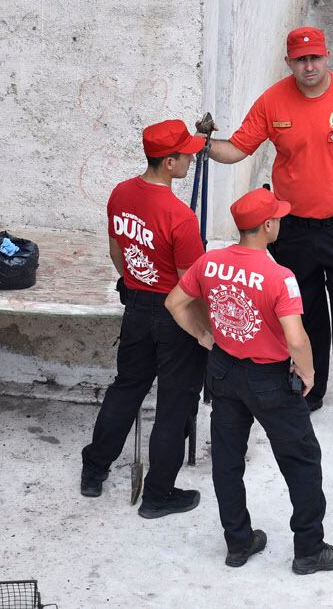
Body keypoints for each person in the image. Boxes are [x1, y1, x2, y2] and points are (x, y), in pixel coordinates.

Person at [203, 26, 333, 451]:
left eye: (316, 58)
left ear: (327, 57)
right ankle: (313, 390)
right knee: (303, 317)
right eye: (301, 60)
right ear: (289, 62)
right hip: (294, 229)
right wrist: (201, 144)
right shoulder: (273, 101)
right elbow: (238, 148)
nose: (309, 66)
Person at [166, 188, 333, 575]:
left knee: (227, 462)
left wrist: (205, 337)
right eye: (278, 218)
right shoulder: (279, 276)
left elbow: (174, 304)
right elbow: (297, 338)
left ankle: (238, 542)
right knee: (302, 461)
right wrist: (309, 373)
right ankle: (309, 550)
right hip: (269, 379)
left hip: (223, 371)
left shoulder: (210, 262)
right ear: (268, 226)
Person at [80, 120, 209, 519]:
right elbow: (192, 285)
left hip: (136, 306)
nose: (190, 157)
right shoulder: (181, 218)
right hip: (174, 313)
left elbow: (117, 249)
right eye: (185, 153)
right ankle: (158, 495)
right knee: (173, 403)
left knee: (127, 387)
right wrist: (205, 332)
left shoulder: (121, 193)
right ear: (169, 162)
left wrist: (132, 281)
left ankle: (94, 470)